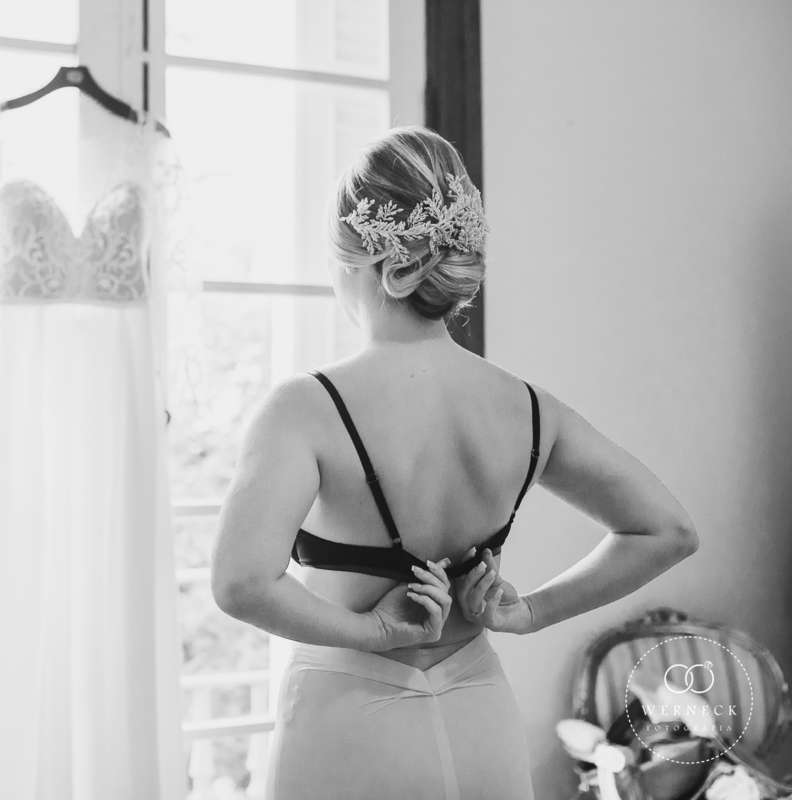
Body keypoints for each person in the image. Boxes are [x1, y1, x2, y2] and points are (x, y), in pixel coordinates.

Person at [209, 125, 699, 800]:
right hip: (480, 717)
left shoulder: (304, 409)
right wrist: (530, 612)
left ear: (363, 261)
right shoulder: (529, 408)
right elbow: (669, 531)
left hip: (347, 721)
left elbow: (240, 583)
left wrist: (373, 631)